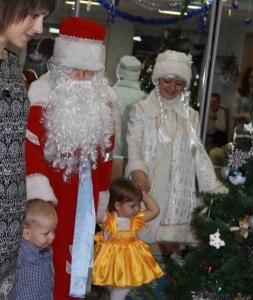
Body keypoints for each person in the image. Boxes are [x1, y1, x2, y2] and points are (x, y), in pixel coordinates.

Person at [25, 16, 115, 300]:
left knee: (78, 257)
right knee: (46, 255)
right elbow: (30, 148)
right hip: (50, 195)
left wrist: (101, 194)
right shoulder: (40, 95)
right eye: (76, 71)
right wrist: (39, 194)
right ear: (62, 67)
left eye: (89, 73)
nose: (82, 79)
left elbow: (106, 155)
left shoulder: (104, 102)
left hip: (85, 198)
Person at [125, 50, 228, 260]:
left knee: (173, 247)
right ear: (158, 79)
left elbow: (196, 151)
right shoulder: (141, 110)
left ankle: (173, 286)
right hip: (149, 184)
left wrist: (212, 187)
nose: (172, 88)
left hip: (177, 188)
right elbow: (134, 141)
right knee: (136, 244)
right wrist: (136, 168)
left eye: (179, 83)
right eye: (167, 80)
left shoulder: (191, 115)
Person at [0, 1, 57, 298]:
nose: (39, 28)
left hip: (11, 213)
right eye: (33, 16)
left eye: (43, 18)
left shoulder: (10, 63)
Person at [92, 178, 164, 300]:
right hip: (110, 261)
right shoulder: (107, 218)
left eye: (139, 204)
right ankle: (108, 292)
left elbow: (155, 211)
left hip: (130, 262)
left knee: (121, 289)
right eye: (132, 205)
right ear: (117, 205)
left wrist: (143, 194)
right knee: (111, 285)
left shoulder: (135, 218)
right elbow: (93, 214)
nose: (137, 209)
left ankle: (111, 294)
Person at [11, 199, 58, 300]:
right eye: (46, 233)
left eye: (53, 231)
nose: (52, 237)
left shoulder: (45, 247)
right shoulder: (21, 252)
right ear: (27, 233)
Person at [112, 55, 147, 180]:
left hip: (110, 160)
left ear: (119, 71)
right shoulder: (145, 100)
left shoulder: (108, 95)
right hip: (135, 164)